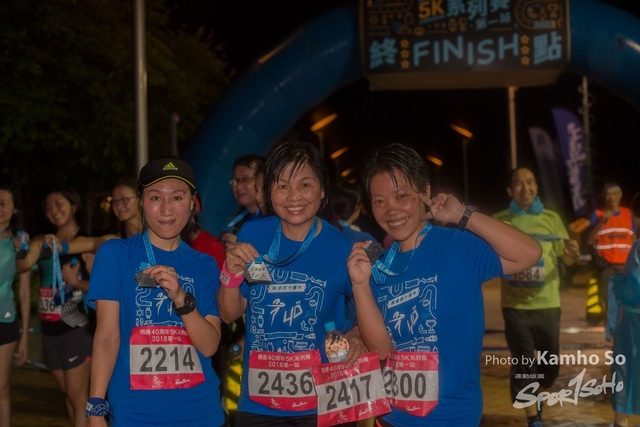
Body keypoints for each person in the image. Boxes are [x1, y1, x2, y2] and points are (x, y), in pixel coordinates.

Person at [346, 143, 541, 427]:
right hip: (392, 417)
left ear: (424, 191)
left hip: (453, 417)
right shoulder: (378, 266)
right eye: (379, 201)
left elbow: (529, 253)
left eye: (401, 195)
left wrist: (463, 215)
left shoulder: (456, 247)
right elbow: (382, 349)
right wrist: (360, 284)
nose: (391, 210)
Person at [217, 141, 366, 426]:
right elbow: (229, 313)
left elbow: (374, 308)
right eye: (283, 186)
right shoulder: (252, 235)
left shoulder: (342, 248)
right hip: (260, 404)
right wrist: (230, 273)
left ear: (322, 190)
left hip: (325, 402)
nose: (293, 196)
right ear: (269, 192)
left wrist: (358, 333)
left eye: (305, 185)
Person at [86, 157, 224, 427]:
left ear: (192, 202)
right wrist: (95, 407)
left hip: (200, 413)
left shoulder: (204, 264)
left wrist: (181, 298)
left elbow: (209, 346)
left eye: (177, 197)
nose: (166, 209)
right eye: (155, 197)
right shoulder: (115, 254)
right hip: (135, 414)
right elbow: (107, 337)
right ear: (141, 201)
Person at [493, 167, 580, 427]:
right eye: (519, 183)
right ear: (510, 190)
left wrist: (572, 254)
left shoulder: (552, 219)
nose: (525, 187)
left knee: (549, 370)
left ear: (536, 187)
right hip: (515, 307)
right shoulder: (499, 221)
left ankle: (537, 391)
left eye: (530, 182)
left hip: (548, 304)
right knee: (524, 364)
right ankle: (534, 419)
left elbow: (566, 259)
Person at [15, 188, 94, 427]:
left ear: (74, 206)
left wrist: (75, 282)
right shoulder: (43, 242)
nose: (53, 211)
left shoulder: (85, 243)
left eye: (59, 204)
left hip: (77, 330)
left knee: (78, 398)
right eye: (48, 207)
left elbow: (102, 288)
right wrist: (21, 248)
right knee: (69, 396)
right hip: (49, 332)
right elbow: (23, 266)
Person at [606, 192, 640, 427]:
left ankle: (621, 422)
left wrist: (617, 282)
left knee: (625, 373)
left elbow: (633, 288)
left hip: (633, 325)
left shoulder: (637, 247)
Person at [0, 179, 31, 426]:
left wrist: (24, 336)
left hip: (5, 319)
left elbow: (24, 292)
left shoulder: (20, 243)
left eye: (3, 203)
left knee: (1, 388)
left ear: (14, 209)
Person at [588, 183, 636, 314]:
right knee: (609, 303)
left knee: (628, 303)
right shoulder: (597, 214)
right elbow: (590, 240)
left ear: (620, 195)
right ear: (604, 197)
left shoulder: (628, 214)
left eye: (614, 194)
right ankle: (611, 326)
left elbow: (634, 239)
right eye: (608, 194)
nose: (611, 197)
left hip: (626, 267)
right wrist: (601, 222)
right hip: (607, 267)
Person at [220, 154, 266, 247]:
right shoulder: (242, 219)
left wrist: (243, 247)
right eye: (235, 180)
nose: (238, 187)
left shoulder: (276, 219)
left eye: (245, 179)